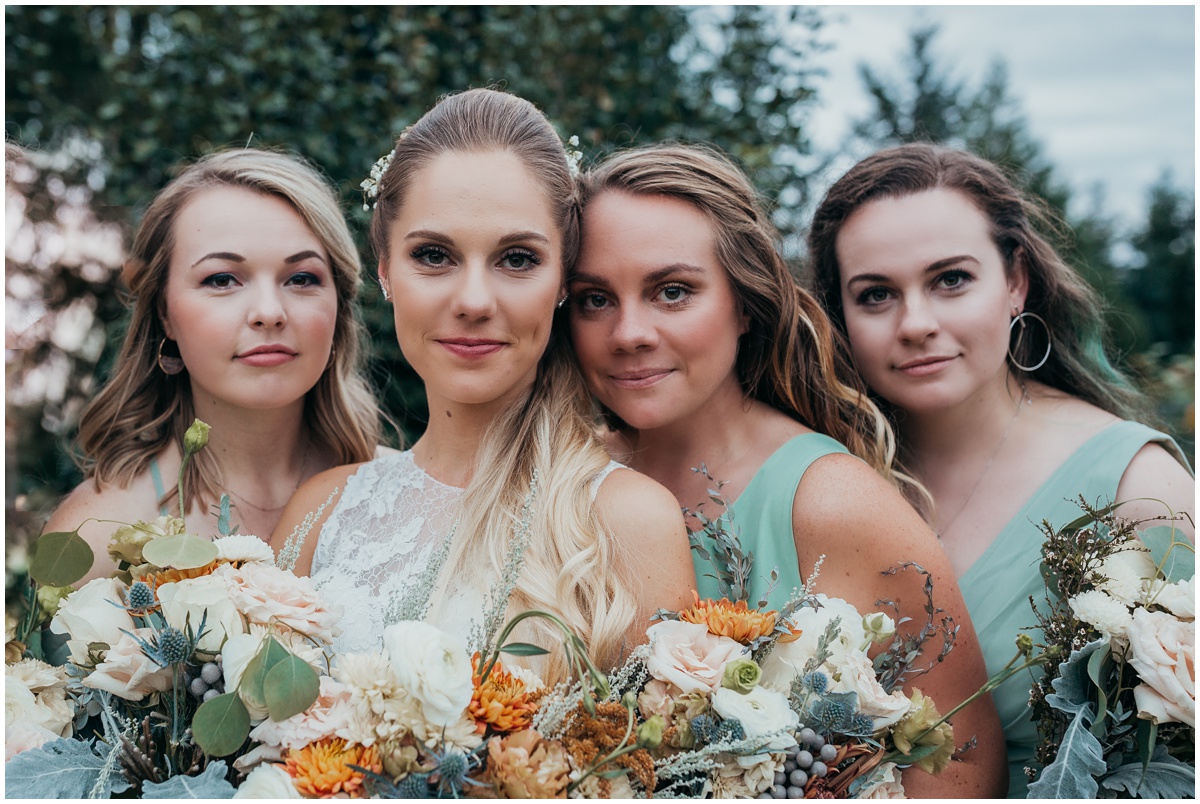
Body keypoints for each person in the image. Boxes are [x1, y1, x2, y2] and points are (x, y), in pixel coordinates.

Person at [567, 142, 1006, 797]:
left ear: (744, 303)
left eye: (673, 292)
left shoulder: (833, 503)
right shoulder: (569, 478)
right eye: (594, 299)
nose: (628, 332)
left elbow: (964, 760)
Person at [807, 142, 1195, 797]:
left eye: (950, 279)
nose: (916, 323)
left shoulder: (1140, 487)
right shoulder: (825, 479)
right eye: (875, 295)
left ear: (1015, 281)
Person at [271, 89, 695, 683]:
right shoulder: (322, 509)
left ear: (563, 280)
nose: (473, 301)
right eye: (434, 255)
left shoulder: (628, 521)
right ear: (387, 271)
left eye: (517, 259)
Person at [46, 149, 383, 584]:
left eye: (301, 278)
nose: (269, 312)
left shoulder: (410, 500)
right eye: (222, 279)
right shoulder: (96, 538)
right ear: (163, 312)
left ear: (339, 305)